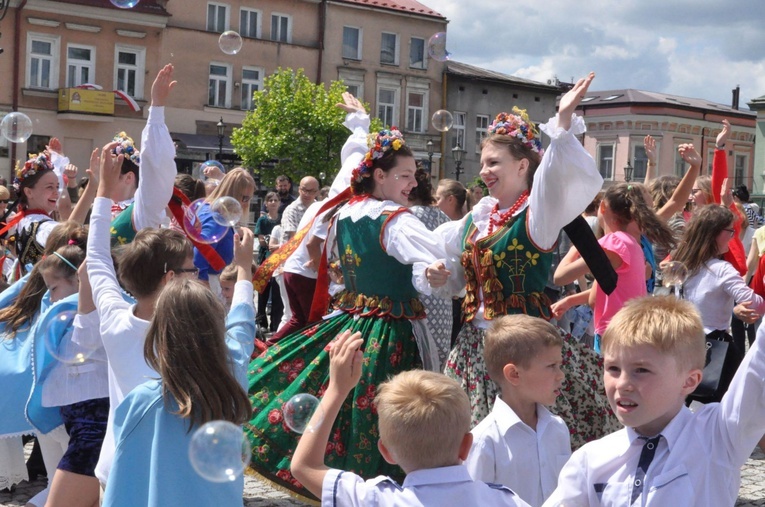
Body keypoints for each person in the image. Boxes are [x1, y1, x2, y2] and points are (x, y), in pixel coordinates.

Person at [246, 124, 451, 500]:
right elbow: (426, 263)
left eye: (413, 175)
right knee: (383, 408)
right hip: (391, 328)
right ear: (379, 175)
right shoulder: (397, 219)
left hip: (350, 321)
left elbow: (339, 269)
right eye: (404, 176)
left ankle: (333, 481)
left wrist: (358, 127)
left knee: (338, 398)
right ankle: (381, 489)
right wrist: (433, 272)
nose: (411, 183)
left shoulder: (345, 213)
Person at [429, 73, 617, 448]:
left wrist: (562, 123)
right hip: (472, 347)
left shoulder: (537, 214)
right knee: (470, 439)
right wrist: (437, 272)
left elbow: (552, 175)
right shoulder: (477, 216)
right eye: (483, 163)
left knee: (534, 435)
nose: (484, 171)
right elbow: (441, 254)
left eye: (494, 163)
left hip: (526, 348)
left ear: (522, 167)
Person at [543, 295, 765, 507]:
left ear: (689, 381)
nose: (622, 384)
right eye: (613, 368)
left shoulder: (716, 438)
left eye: (641, 370)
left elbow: (757, 369)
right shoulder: (590, 460)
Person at [102, 230, 255, 507]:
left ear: (160, 334)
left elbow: (122, 482)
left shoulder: (144, 400)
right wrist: (244, 267)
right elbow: (242, 324)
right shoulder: (232, 375)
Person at [291, 332, 528, 506]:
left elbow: (304, 466)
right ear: (467, 445)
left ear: (386, 452)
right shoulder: (505, 501)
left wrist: (337, 389)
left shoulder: (373, 499)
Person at [87, 142, 197, 487]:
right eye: (191, 271)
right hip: (167, 472)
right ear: (169, 278)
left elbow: (97, 257)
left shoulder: (116, 321)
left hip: (117, 467)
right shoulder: (192, 333)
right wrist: (241, 276)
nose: (196, 277)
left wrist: (103, 189)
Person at [552, 183, 675, 353]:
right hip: (631, 331)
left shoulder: (613, 243)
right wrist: (570, 301)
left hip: (613, 334)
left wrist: (576, 249)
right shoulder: (633, 244)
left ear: (602, 207)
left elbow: (560, 277)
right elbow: (604, 292)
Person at [465, 315, 569, 507]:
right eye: (551, 366)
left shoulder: (558, 429)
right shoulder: (485, 442)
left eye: (560, 365)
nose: (560, 375)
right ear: (514, 374)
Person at [672, 204, 765, 402]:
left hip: (682, 343)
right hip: (714, 350)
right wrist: (740, 308)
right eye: (730, 231)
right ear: (715, 233)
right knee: (722, 411)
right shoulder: (722, 269)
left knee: (679, 405)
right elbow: (756, 304)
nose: (733, 237)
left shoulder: (683, 262)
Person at [409, 167, 452, 367]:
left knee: (419, 353)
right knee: (438, 355)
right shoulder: (443, 216)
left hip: (419, 293)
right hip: (442, 297)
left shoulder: (408, 216)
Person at [191, 167, 255, 292]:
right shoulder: (216, 217)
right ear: (234, 195)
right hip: (209, 283)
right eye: (245, 198)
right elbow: (200, 253)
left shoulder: (213, 211)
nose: (246, 204)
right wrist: (203, 286)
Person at [254, 192, 283, 333]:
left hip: (279, 259)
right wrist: (271, 242)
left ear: (279, 203)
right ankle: (261, 321)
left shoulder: (282, 219)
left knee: (277, 292)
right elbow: (261, 240)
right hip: (266, 258)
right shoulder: (263, 220)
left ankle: (276, 324)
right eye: (270, 200)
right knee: (263, 291)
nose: (273, 202)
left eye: (275, 200)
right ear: (266, 203)